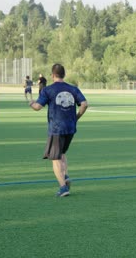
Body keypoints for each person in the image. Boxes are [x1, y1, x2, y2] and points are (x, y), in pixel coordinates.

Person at [29, 64, 88, 197]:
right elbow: (84, 104)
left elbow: (38, 107)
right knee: (62, 153)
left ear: (52, 75)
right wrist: (76, 117)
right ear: (64, 74)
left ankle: (63, 187)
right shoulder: (73, 88)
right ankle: (65, 176)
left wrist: (32, 104)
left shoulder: (48, 90)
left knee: (55, 158)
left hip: (56, 128)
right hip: (70, 127)